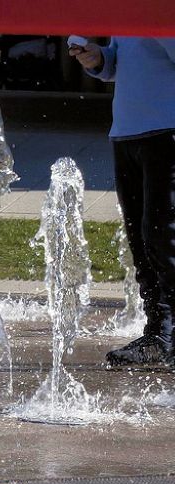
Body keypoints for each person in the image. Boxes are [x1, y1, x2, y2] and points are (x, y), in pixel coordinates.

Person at [71, 37, 175, 366]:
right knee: (141, 240)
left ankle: (170, 334)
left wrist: (154, 22)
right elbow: (122, 62)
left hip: (167, 128)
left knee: (163, 236)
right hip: (127, 131)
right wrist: (98, 58)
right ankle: (159, 333)